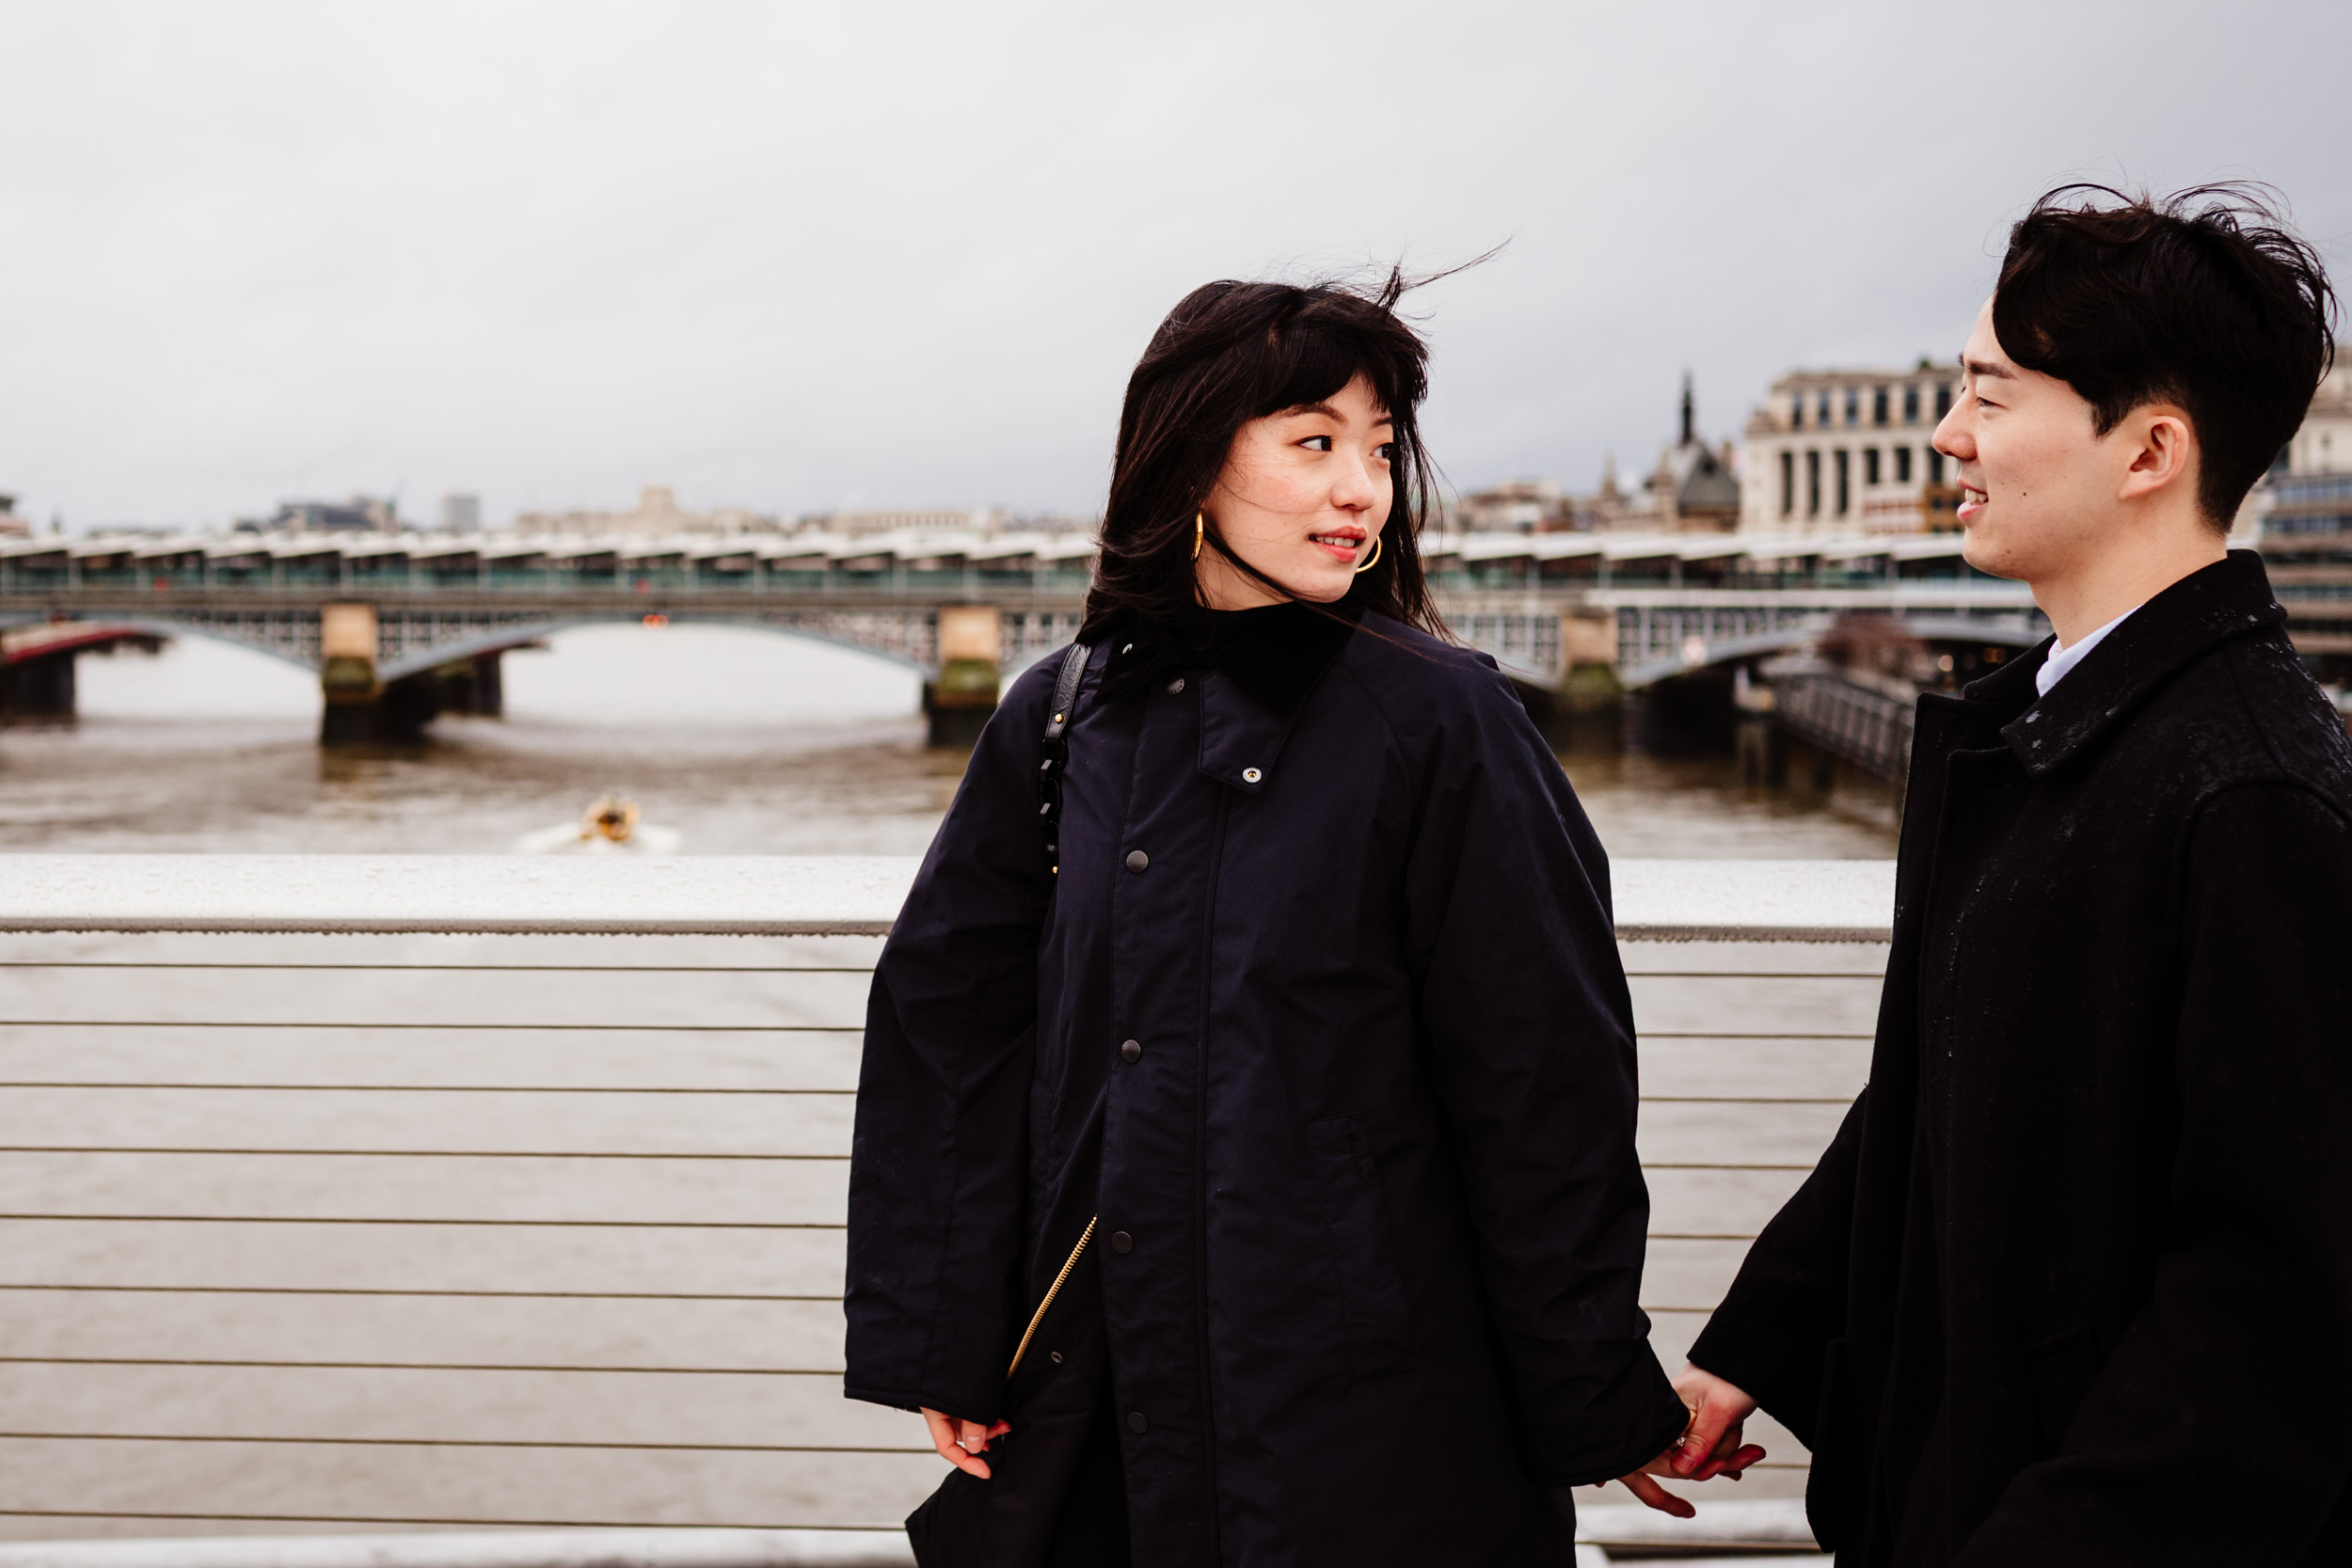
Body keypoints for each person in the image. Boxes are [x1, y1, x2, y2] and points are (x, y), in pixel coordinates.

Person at [844, 273, 1752, 1568]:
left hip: (1373, 1418)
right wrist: (948, 1329)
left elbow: (1543, 1084)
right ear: (1191, 459)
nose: (1361, 490)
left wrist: (1591, 1390)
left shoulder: (1443, 723)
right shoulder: (1058, 717)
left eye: (1380, 450)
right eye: (1315, 443)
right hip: (1106, 1396)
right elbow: (949, 1028)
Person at [1671, 185, 2352, 1564]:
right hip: (1956, 1481)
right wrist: (1754, 1345)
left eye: (1990, 392)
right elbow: (1934, 1089)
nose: (1947, 434)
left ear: (2150, 448)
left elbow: (2275, 1307)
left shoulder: (2259, 797)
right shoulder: (2054, 733)